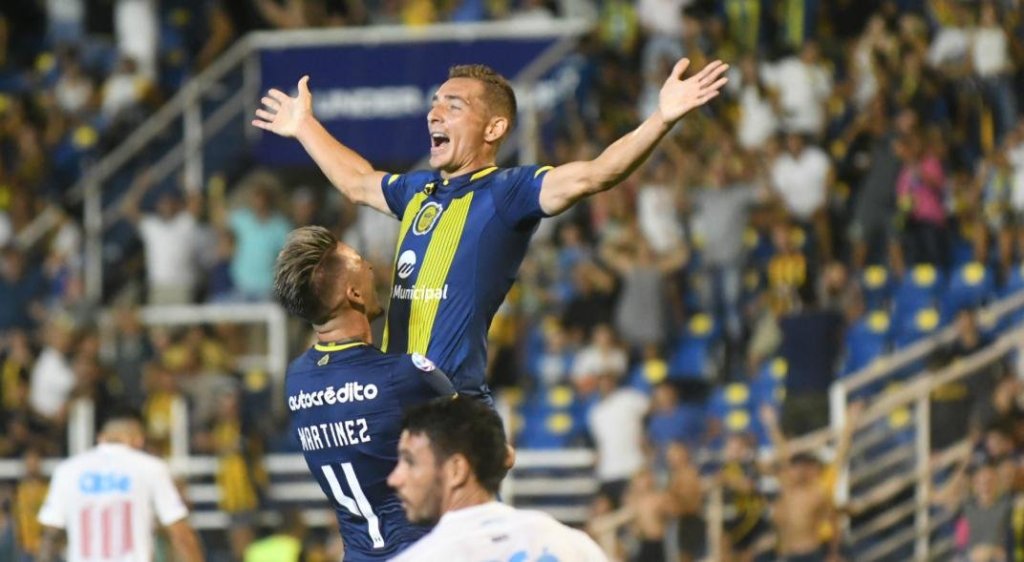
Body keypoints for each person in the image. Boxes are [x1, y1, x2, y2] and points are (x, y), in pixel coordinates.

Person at [253, 58, 728, 403]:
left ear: (495, 128)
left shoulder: (508, 192)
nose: (434, 113)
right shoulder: (418, 193)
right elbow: (357, 182)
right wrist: (304, 125)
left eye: (453, 105)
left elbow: (596, 174)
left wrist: (662, 118)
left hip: (453, 407)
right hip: (399, 405)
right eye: (434, 103)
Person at [273, 226, 457, 561]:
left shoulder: (296, 379)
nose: (370, 266)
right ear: (354, 294)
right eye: (360, 261)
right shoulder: (403, 374)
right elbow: (486, 446)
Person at [386, 396, 608, 560]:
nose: (394, 479)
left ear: (456, 470)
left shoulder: (422, 557)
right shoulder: (576, 547)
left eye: (410, 462)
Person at [35, 410, 204, 562]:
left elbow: (50, 535)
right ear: (138, 440)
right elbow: (180, 535)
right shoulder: (150, 467)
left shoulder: (67, 470)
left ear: (101, 438)